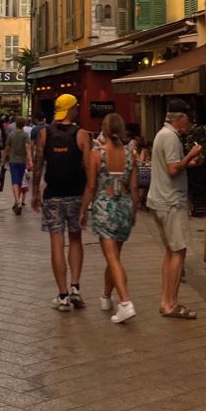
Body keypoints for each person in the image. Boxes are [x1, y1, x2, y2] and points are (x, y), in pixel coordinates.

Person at [32, 94, 90, 311]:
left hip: (53, 195)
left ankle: (63, 294)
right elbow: (87, 167)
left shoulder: (45, 134)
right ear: (71, 110)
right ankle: (75, 287)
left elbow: (39, 163)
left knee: (56, 244)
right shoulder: (82, 134)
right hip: (75, 194)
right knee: (75, 239)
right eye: (76, 107)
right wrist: (88, 194)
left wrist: (35, 192)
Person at [147, 98, 203, 320]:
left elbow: (172, 166)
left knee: (171, 252)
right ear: (180, 118)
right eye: (188, 119)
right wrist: (190, 155)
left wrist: (190, 162)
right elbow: (172, 170)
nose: (189, 124)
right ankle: (170, 303)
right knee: (179, 252)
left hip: (160, 200)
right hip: (171, 202)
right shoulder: (170, 137)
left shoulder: (163, 135)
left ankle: (166, 300)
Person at [80, 112, 139, 324]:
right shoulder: (131, 153)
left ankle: (125, 303)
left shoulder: (96, 154)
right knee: (115, 257)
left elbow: (91, 186)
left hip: (105, 206)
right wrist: (133, 210)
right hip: (124, 206)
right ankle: (106, 297)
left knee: (111, 258)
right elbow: (133, 187)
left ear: (104, 129)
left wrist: (83, 211)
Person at [3, 117, 33, 214]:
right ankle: (18, 201)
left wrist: (4, 159)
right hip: (22, 162)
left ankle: (17, 201)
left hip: (13, 161)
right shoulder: (25, 136)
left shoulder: (11, 135)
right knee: (19, 181)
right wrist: (30, 161)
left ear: (16, 124)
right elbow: (28, 149)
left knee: (15, 181)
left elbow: (7, 148)